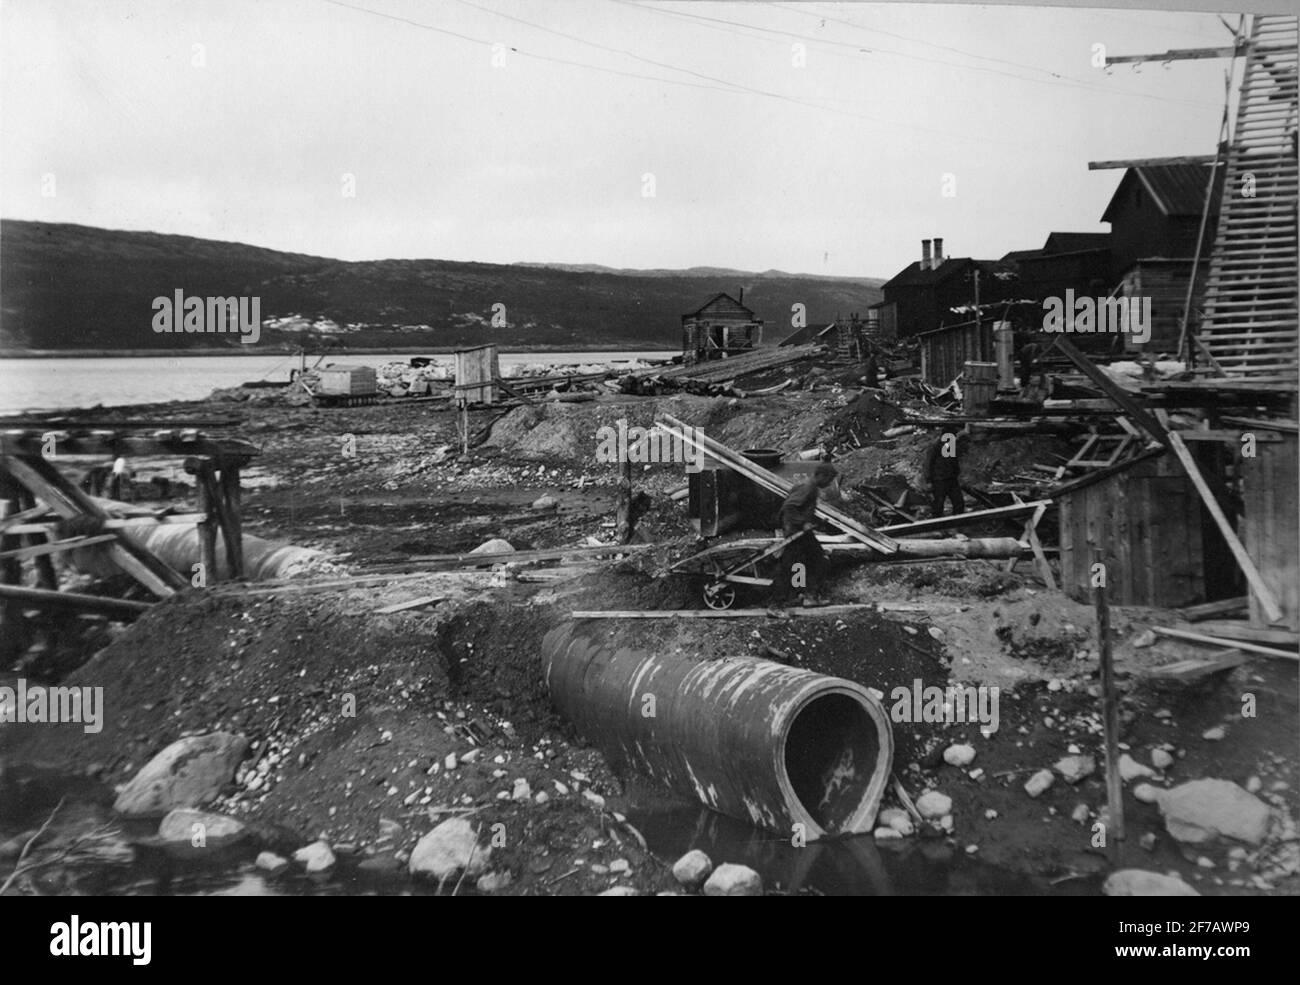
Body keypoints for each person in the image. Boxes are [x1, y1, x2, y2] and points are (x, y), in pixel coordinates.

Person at [770, 462, 838, 610]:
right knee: (789, 566)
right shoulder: (807, 487)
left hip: (801, 531)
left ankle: (808, 596)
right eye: (829, 479)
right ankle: (776, 605)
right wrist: (802, 523)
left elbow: (801, 509)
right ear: (821, 475)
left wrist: (815, 522)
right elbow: (789, 507)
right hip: (796, 532)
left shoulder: (810, 487)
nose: (829, 483)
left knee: (816, 559)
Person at [925, 429, 965, 517]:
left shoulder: (951, 446)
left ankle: (958, 522)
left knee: (958, 502)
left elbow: (954, 461)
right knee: (938, 504)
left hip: (951, 479)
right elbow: (928, 463)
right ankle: (937, 524)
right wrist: (928, 480)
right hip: (939, 479)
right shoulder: (936, 446)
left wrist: (956, 473)